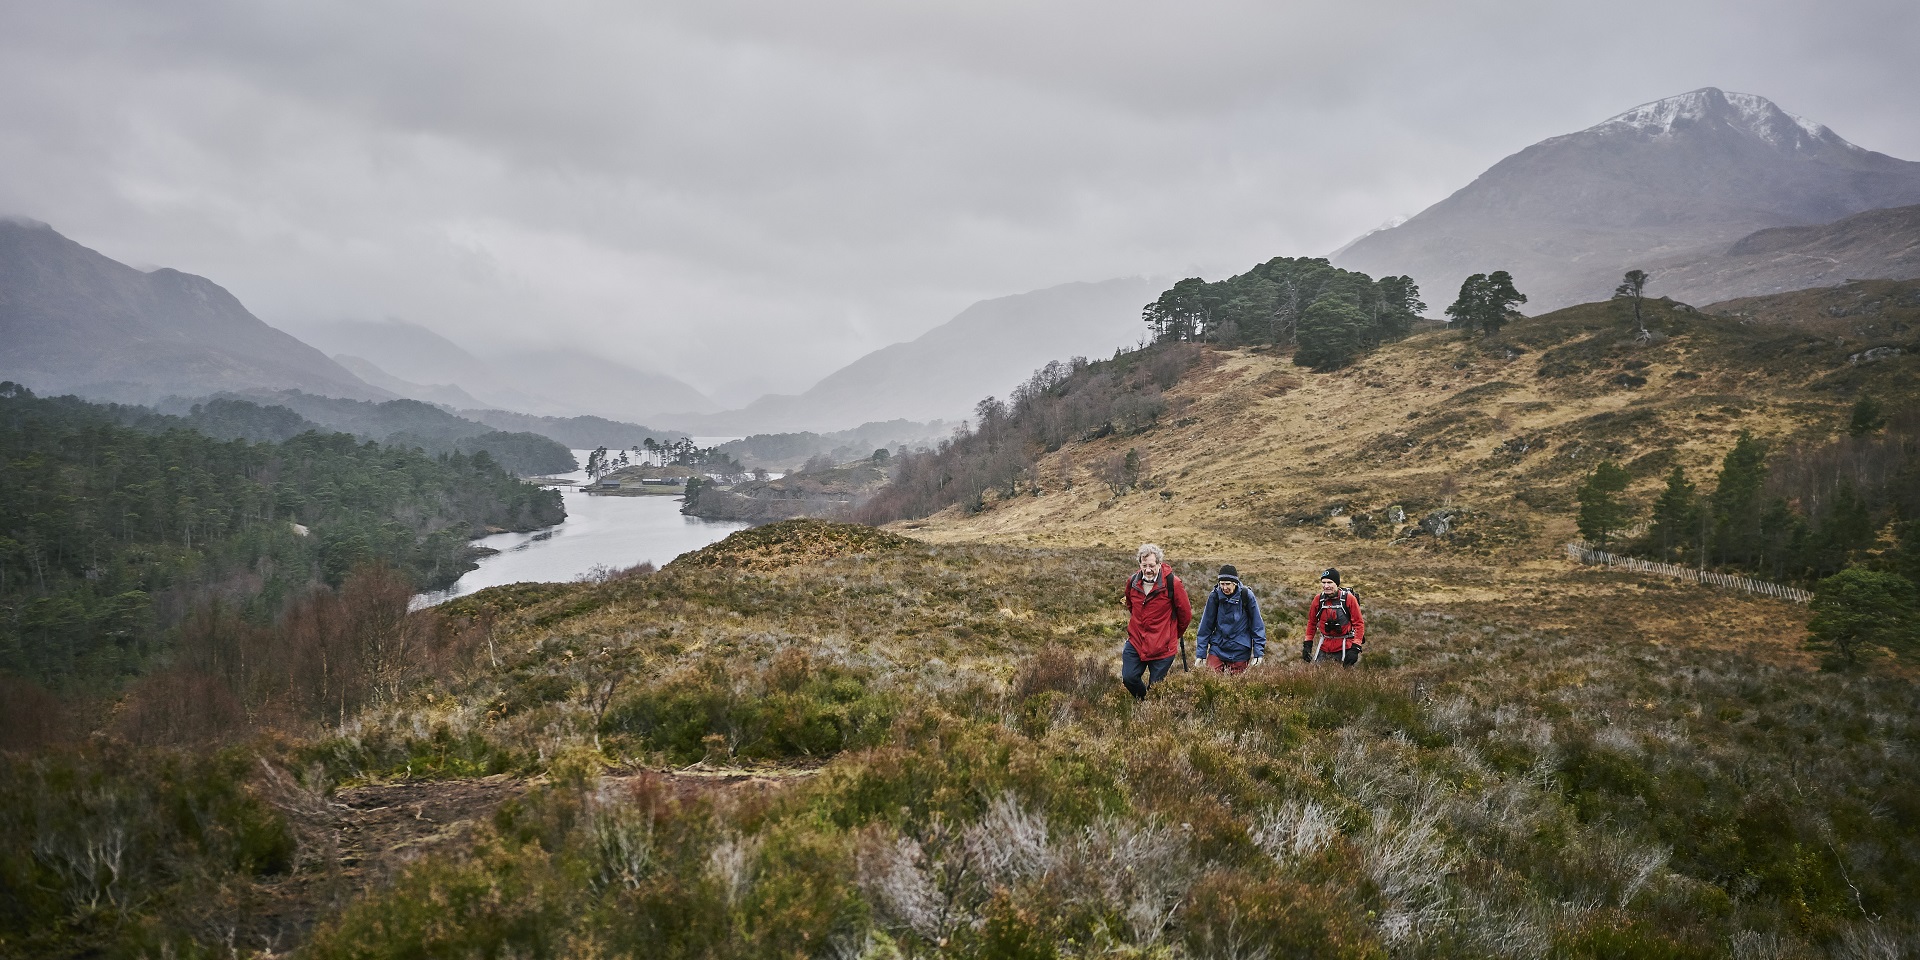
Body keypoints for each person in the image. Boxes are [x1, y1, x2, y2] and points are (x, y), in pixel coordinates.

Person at [1122, 543, 1192, 700]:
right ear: (1139, 564)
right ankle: (1143, 702)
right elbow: (1131, 605)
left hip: (1163, 647)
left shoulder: (1173, 583)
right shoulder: (1132, 582)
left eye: (1152, 565)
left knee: (1156, 688)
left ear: (1159, 564)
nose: (1147, 569)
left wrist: (1171, 635)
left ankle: (1151, 709)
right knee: (1129, 678)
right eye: (1144, 565)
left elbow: (1185, 614)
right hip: (1136, 641)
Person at [1195, 564, 1265, 674]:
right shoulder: (1214, 596)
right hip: (1218, 647)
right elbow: (1206, 626)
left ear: (1235, 583)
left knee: (1237, 686)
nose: (1224, 587)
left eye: (1228, 584)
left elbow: (1257, 625)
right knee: (1209, 678)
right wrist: (1201, 654)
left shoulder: (1246, 596)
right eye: (1222, 584)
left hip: (1240, 649)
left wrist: (1258, 653)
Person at [1302, 567, 1364, 667]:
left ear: (1337, 583)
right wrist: (1307, 644)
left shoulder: (1349, 599)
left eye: (1329, 582)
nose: (1326, 586)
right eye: (1323, 582)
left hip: (1345, 647)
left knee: (1344, 680)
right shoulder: (1318, 599)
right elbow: (1312, 622)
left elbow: (1359, 624)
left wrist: (1355, 648)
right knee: (1318, 678)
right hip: (1324, 646)